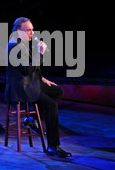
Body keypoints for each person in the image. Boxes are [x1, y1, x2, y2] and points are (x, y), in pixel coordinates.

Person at [5, 17, 72, 158]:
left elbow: (30, 67)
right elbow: (27, 70)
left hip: (30, 83)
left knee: (57, 91)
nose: (32, 33)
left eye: (32, 30)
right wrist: (39, 53)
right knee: (51, 105)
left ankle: (33, 120)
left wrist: (41, 78)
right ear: (18, 31)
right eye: (28, 30)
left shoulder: (21, 43)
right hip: (21, 88)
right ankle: (53, 146)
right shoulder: (14, 46)